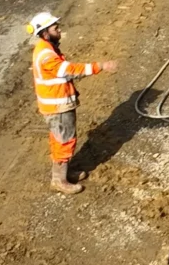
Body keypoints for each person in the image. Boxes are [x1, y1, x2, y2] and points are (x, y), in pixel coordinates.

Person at [29, 11, 116, 194]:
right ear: (45, 33)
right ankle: (59, 180)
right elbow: (69, 70)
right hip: (57, 107)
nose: (59, 31)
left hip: (56, 104)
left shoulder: (47, 48)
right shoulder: (46, 55)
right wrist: (100, 66)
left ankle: (63, 173)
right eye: (55, 28)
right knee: (64, 141)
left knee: (60, 140)